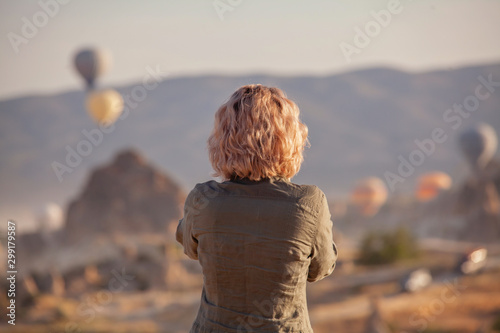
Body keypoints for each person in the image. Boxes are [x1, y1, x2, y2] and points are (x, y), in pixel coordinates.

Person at [176, 84, 337, 332]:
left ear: (223, 139)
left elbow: (190, 248)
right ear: (290, 139)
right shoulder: (308, 203)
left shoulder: (203, 200)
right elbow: (320, 269)